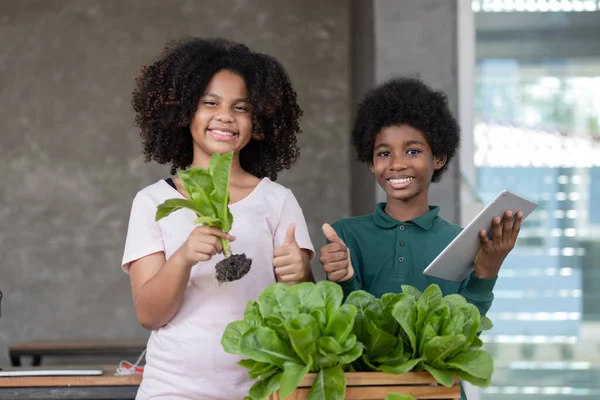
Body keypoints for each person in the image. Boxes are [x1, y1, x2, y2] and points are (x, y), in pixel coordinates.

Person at [122, 37, 314, 400]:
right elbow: (149, 314)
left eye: (240, 107)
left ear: (257, 122)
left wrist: (301, 275)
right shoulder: (152, 202)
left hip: (261, 390)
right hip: (172, 390)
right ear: (184, 113)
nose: (225, 116)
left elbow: (303, 311)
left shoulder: (278, 201)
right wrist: (183, 257)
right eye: (210, 103)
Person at [320, 76, 522, 315]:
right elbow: (347, 329)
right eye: (384, 153)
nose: (397, 164)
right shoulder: (345, 236)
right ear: (371, 163)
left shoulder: (462, 242)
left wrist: (487, 271)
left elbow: (466, 334)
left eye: (413, 151)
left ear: (438, 158)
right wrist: (344, 278)